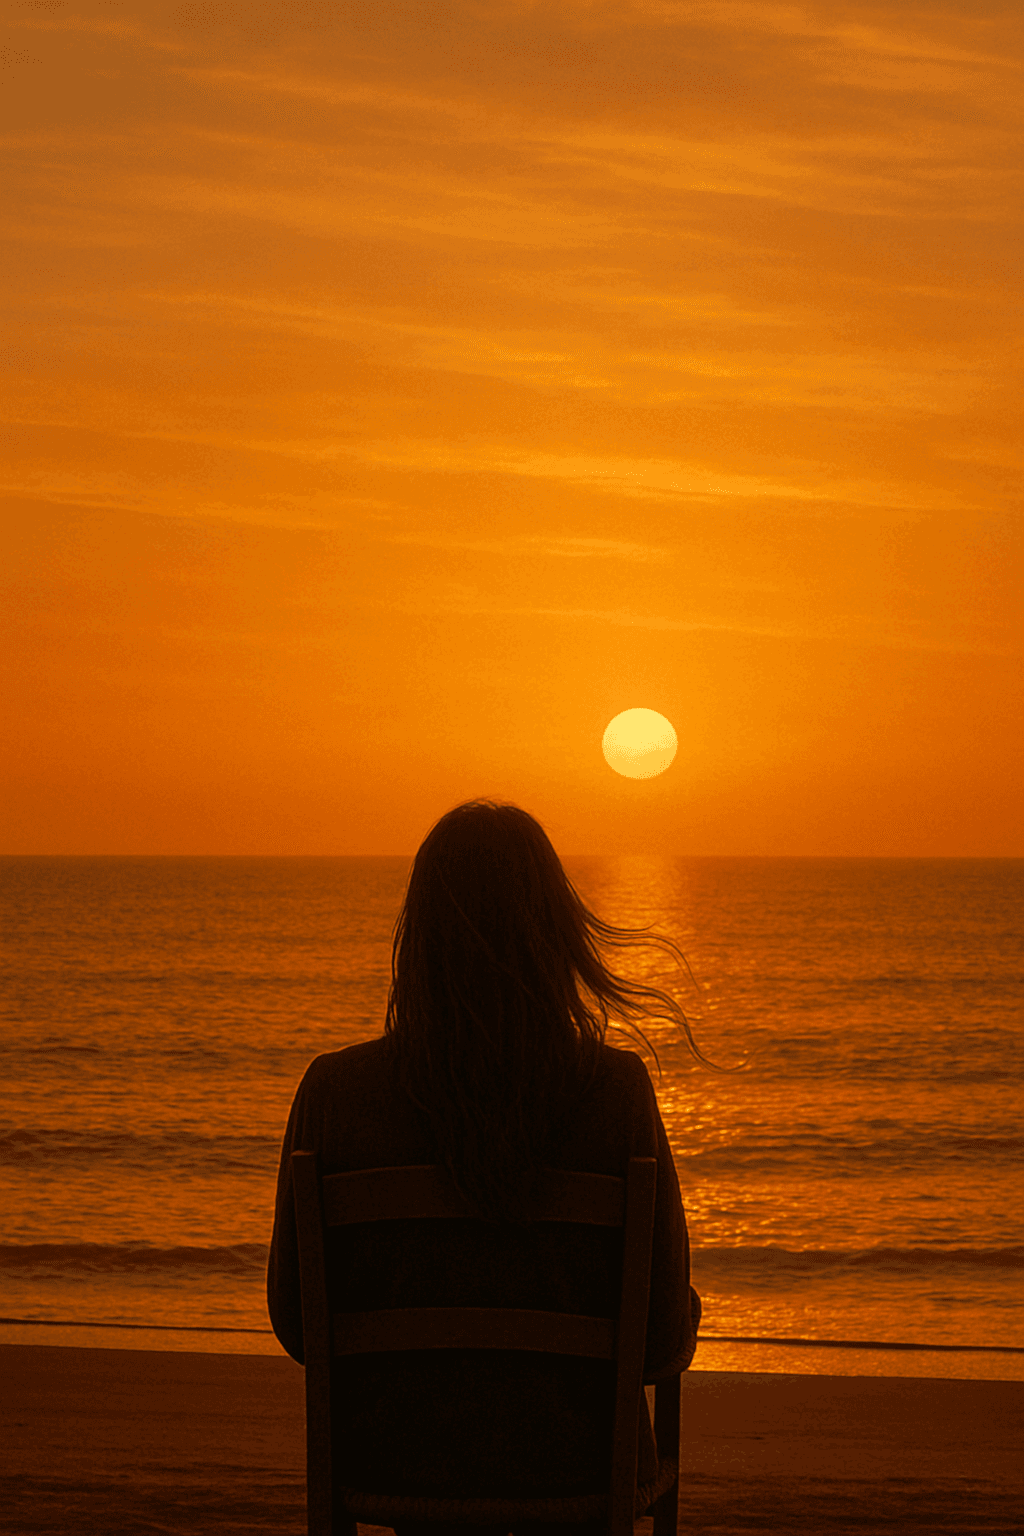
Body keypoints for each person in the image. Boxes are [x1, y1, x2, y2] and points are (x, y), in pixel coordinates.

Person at [267, 799, 707, 1536]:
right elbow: (661, 1341)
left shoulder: (335, 1093)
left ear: (421, 938)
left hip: (393, 1461)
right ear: (557, 932)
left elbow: (297, 1324)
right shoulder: (616, 1092)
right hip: (576, 1468)